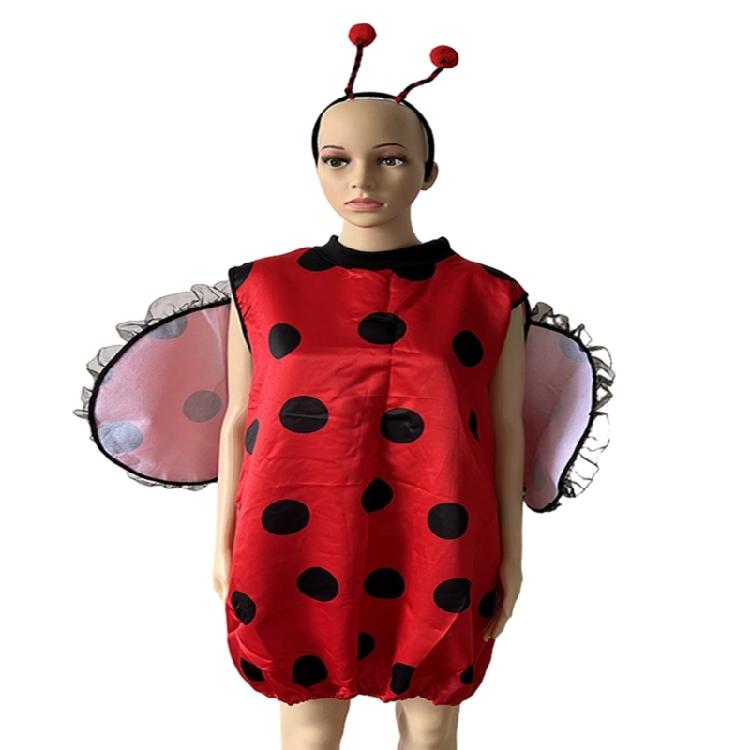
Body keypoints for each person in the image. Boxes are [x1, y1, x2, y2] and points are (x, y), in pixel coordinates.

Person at [215, 24, 524, 750]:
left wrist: (513, 555)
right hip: (293, 531)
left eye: (389, 158)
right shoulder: (263, 288)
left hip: (441, 532)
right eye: (338, 160)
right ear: (316, 170)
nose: (361, 180)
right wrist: (223, 541)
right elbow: (237, 420)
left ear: (428, 172)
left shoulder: (488, 296)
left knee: (430, 720)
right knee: (309, 723)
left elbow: (507, 429)